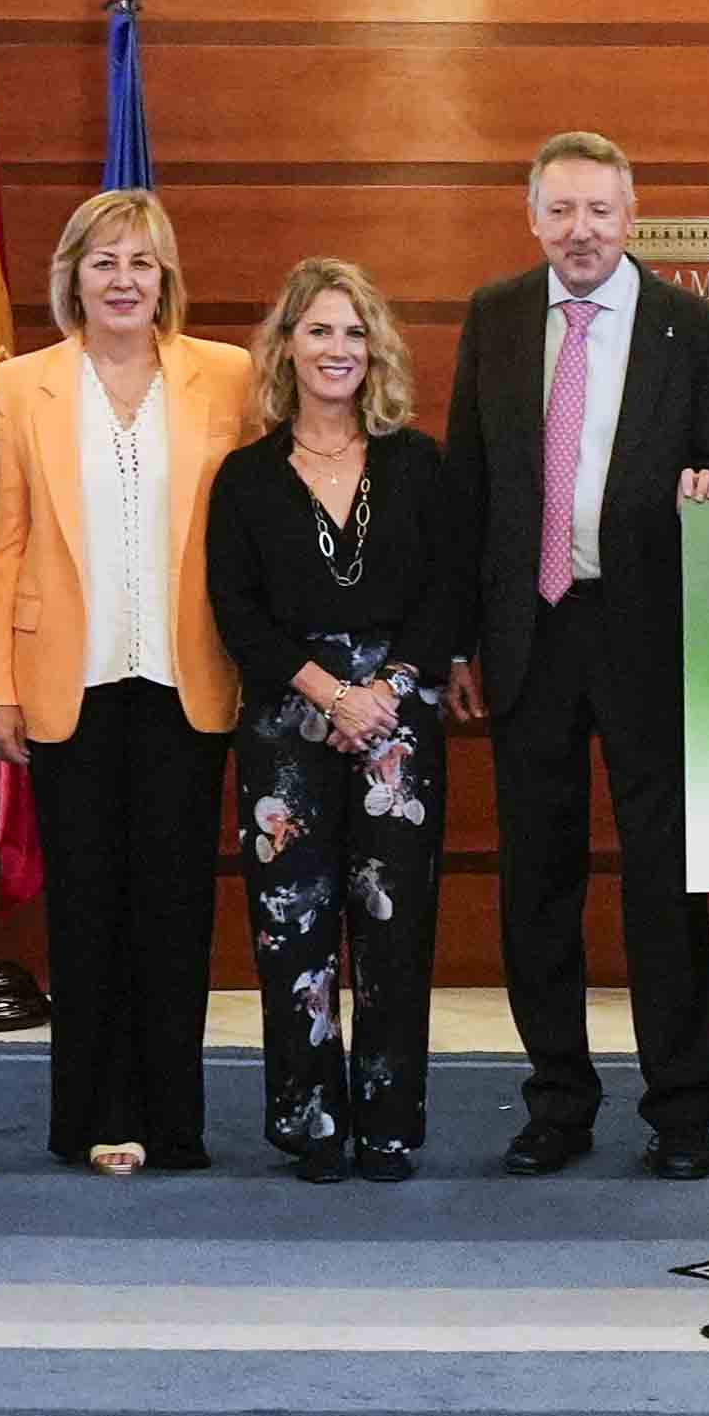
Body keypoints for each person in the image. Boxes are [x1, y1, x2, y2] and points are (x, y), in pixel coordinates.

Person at [445, 132, 709, 1182]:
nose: (580, 231)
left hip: (648, 634)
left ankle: (682, 1110)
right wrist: (458, 643)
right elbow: (468, 489)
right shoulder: (495, 315)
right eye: (561, 211)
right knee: (538, 883)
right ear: (533, 217)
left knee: (665, 881)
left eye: (599, 211)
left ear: (631, 215)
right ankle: (556, 1104)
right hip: (527, 634)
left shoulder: (695, 329)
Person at [0, 185, 261, 1175]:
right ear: (73, 279)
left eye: (141, 262)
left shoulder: (228, 376)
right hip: (67, 685)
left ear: (166, 276)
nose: (124, 280)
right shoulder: (20, 386)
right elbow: (0, 546)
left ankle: (174, 1122)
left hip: (190, 680)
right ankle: (89, 1117)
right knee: (86, 909)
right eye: (104, 262)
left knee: (178, 910)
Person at [211, 259, 471, 1182]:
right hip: (288, 723)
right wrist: (330, 691)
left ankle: (391, 1124)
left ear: (378, 350)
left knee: (395, 928)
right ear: (287, 346)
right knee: (295, 925)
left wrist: (388, 687)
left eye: (355, 332)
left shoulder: (418, 462)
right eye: (319, 330)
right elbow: (237, 611)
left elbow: (448, 590)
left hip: (399, 722)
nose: (338, 349)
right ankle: (313, 1120)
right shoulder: (245, 478)